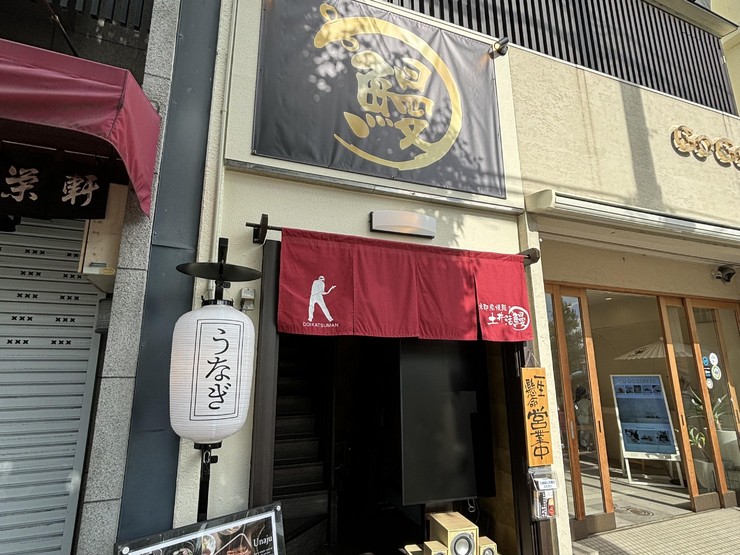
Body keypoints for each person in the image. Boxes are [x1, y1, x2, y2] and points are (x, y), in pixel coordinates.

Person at [574, 385, 593, 451]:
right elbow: (591, 411)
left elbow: (576, 412)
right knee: (587, 433)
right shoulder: (588, 402)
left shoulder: (576, 403)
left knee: (582, 432)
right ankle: (587, 445)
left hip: (580, 420)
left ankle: (583, 445)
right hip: (588, 420)